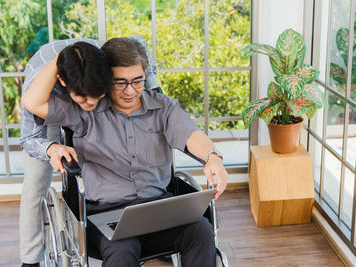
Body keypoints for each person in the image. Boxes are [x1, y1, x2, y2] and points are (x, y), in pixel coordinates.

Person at [22, 37, 228, 267]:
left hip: (159, 209)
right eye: (120, 83)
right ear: (107, 79)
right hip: (105, 217)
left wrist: (213, 158)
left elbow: (192, 135)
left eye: (137, 81)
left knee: (200, 229)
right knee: (121, 249)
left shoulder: (163, 108)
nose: (130, 91)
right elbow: (32, 101)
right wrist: (60, 60)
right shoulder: (85, 110)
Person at [19, 36, 157, 267]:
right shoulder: (40, 86)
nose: (91, 102)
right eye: (83, 98)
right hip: (48, 93)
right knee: (35, 181)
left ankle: (149, 228)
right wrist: (51, 148)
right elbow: (29, 138)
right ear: (63, 81)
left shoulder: (106, 65)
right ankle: (30, 260)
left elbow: (138, 44)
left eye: (98, 95)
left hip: (87, 72)